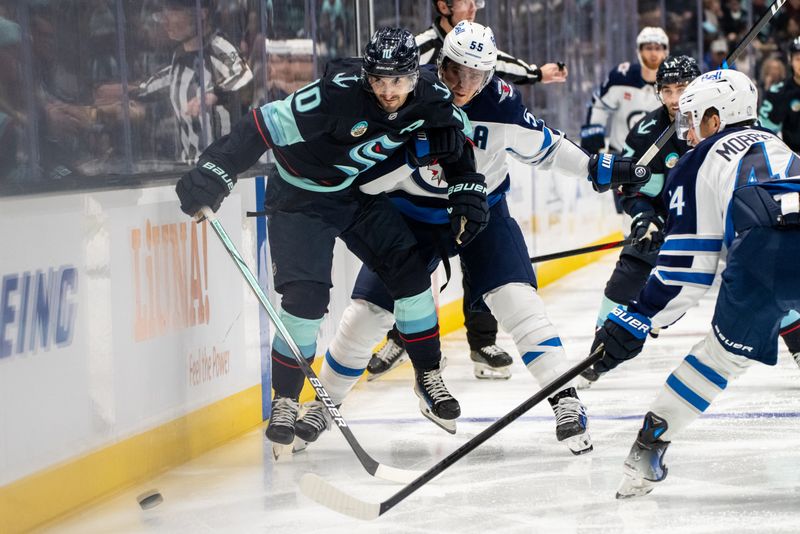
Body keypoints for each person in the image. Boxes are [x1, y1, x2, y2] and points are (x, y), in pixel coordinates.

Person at [291, 21, 650, 447]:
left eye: (475, 75)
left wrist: (598, 168)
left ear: (491, 75)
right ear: (440, 61)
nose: (462, 85)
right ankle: (322, 405)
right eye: (455, 70)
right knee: (367, 314)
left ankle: (565, 398)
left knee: (517, 300)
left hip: (483, 215)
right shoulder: (412, 91)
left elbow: (548, 147)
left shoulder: (501, 105)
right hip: (409, 216)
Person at [174, 27, 488, 453]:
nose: (388, 92)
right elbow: (260, 126)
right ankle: (285, 399)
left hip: (353, 193)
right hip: (298, 195)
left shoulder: (432, 94)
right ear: (367, 76)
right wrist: (217, 167)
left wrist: (467, 188)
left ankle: (427, 376)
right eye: (379, 80)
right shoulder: (334, 94)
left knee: (410, 271)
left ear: (415, 75)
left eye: (397, 81)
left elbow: (455, 142)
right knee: (305, 300)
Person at [588, 69, 800, 498]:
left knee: (720, 361)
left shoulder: (698, 161)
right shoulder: (779, 145)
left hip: (765, 257)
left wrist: (640, 316)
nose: (685, 133)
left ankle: (647, 449)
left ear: (716, 120)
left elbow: (687, 272)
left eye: (692, 120)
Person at [368, 0, 569, 383]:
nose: (474, 7)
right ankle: (400, 338)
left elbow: (499, 66)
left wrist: (534, 73)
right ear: (443, 6)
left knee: (482, 256)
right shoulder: (421, 48)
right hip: (425, 187)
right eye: (465, 1)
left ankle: (482, 342)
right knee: (414, 265)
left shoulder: (477, 46)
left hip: (468, 180)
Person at [578, 56, 700, 388]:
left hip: (716, 221)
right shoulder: (646, 131)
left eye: (683, 89)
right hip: (667, 222)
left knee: (761, 269)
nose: (675, 100)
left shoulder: (719, 119)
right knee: (625, 277)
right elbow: (628, 189)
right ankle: (598, 355)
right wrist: (645, 217)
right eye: (667, 91)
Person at [135, 0, 253, 164]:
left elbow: (245, 80)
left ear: (201, 13)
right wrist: (127, 92)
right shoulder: (180, 55)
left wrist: (213, 95)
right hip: (191, 166)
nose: (165, 18)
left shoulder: (218, 47)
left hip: (224, 167)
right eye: (164, 11)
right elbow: (168, 78)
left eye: (174, 9)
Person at [580, 27, 669, 157]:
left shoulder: (673, 84)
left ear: (666, 51)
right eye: (648, 48)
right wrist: (593, 139)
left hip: (658, 158)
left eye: (658, 48)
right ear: (639, 51)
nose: (653, 54)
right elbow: (599, 105)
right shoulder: (621, 77)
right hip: (619, 154)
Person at [759, 37, 800, 153]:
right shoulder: (778, 92)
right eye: (798, 59)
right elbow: (764, 130)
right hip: (793, 158)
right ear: (790, 60)